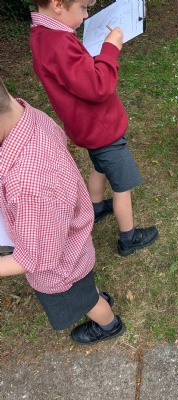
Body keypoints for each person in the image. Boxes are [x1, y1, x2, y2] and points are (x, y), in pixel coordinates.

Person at [0, 77, 126, 345]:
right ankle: (94, 296)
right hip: (72, 244)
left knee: (88, 301)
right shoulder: (28, 116)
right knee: (85, 288)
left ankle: (109, 324)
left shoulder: (28, 186)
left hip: (61, 267)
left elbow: (34, 258)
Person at [29, 0, 158, 256]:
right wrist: (110, 49)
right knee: (123, 186)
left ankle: (96, 208)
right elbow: (99, 87)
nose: (86, 15)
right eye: (83, 8)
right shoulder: (59, 43)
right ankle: (129, 238)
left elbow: (78, 76)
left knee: (100, 167)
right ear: (58, 4)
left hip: (87, 127)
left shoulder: (42, 34)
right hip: (104, 130)